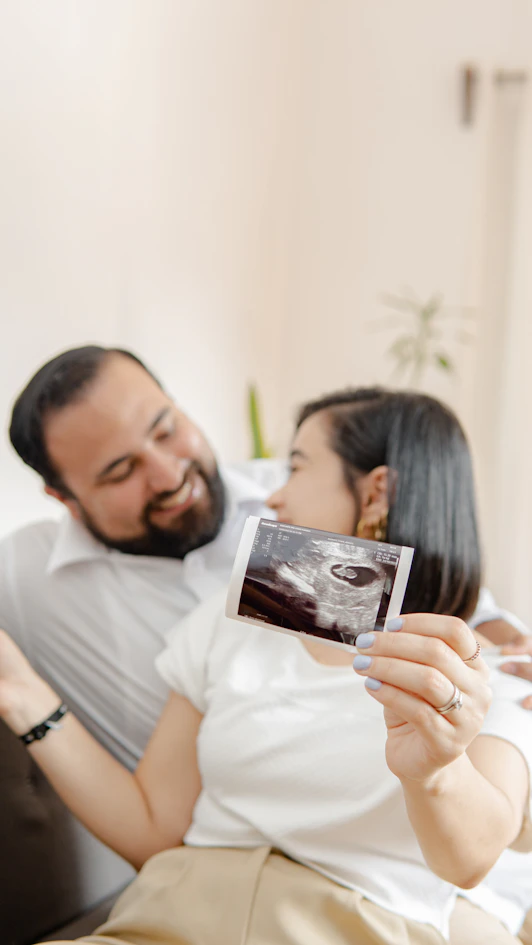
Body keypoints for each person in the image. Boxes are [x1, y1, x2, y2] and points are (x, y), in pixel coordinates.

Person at [1, 387, 531, 945]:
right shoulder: (231, 618)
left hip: (353, 928)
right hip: (171, 918)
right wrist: (21, 692)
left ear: (378, 491)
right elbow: (154, 826)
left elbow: (469, 860)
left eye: (297, 467)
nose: (273, 496)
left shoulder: (487, 669)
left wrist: (435, 768)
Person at [0, 345, 283, 767]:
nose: (169, 476)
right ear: (64, 498)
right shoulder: (26, 575)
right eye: (120, 472)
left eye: (166, 430)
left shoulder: (296, 497)